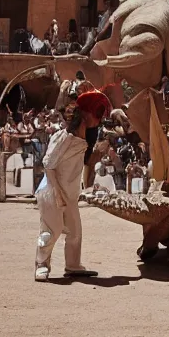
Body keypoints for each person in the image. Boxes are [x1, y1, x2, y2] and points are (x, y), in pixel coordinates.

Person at [34, 90, 110, 281]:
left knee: (75, 231)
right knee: (51, 230)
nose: (99, 119)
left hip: (69, 193)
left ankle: (73, 265)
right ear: (85, 115)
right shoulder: (64, 138)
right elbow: (48, 164)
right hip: (52, 191)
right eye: (97, 113)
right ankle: (41, 264)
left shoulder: (83, 140)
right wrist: (57, 193)